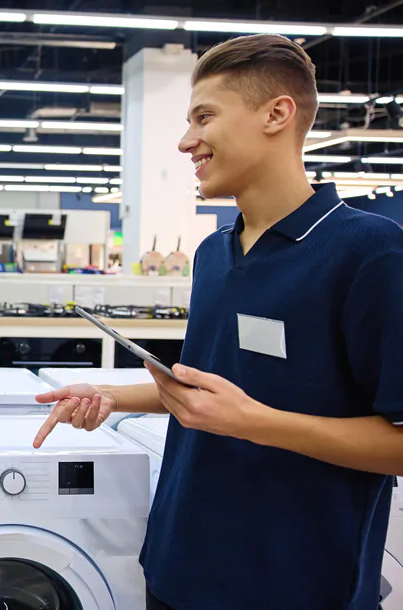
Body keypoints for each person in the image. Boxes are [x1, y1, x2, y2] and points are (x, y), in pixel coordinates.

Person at [34, 33, 403, 610]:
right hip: (177, 565)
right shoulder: (214, 252)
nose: (186, 142)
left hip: (296, 584)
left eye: (204, 117)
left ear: (277, 114)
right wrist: (109, 394)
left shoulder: (369, 252)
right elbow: (209, 384)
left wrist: (255, 422)